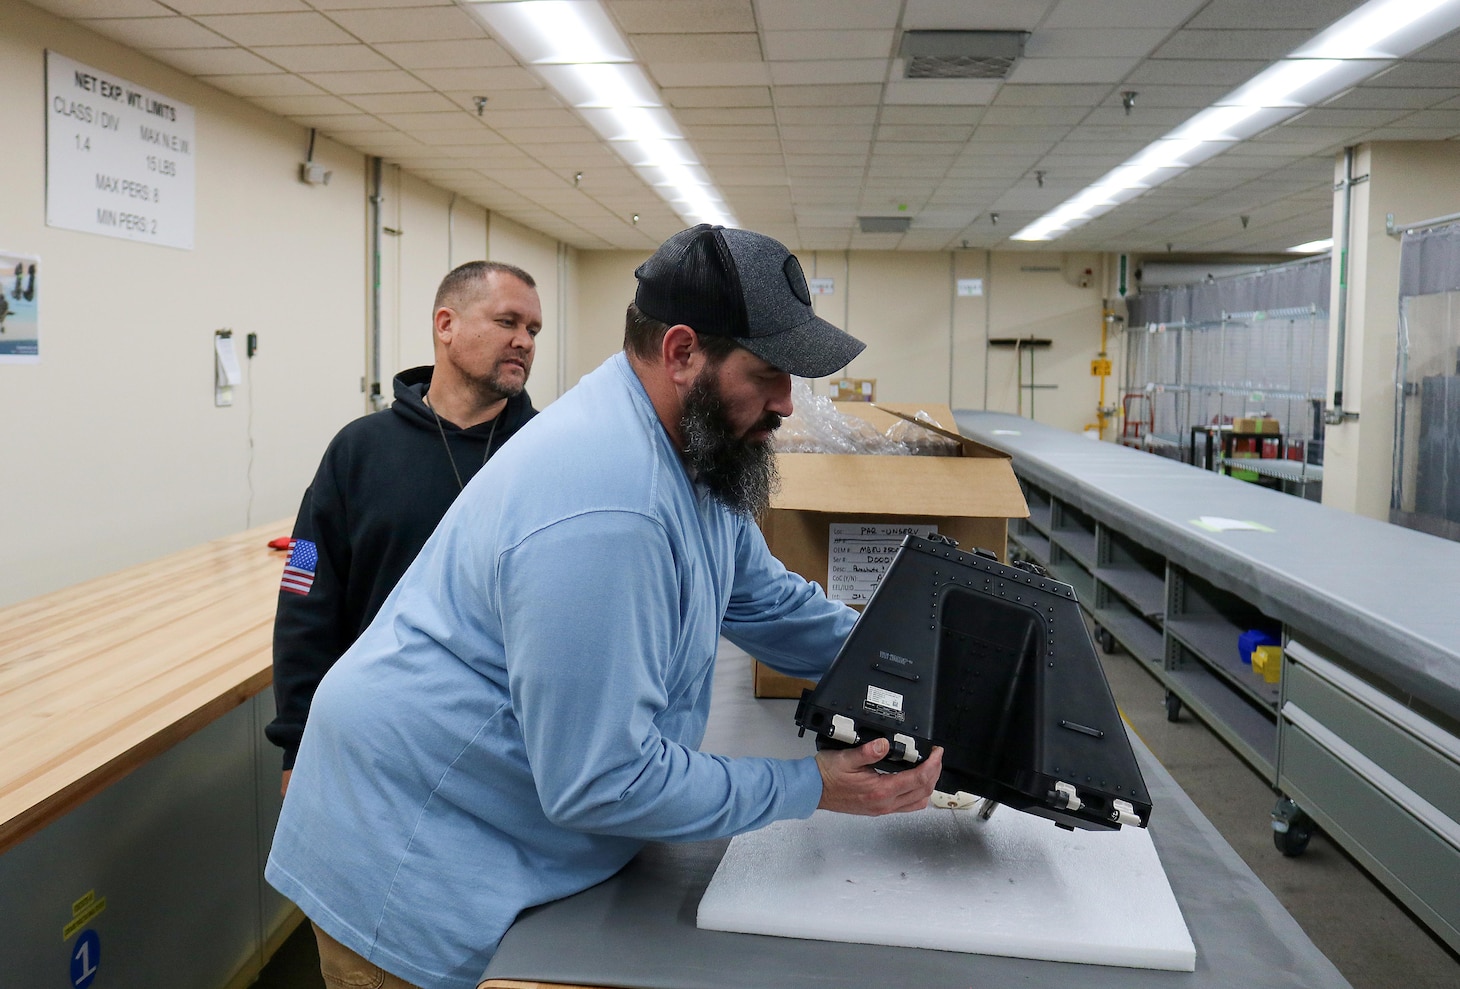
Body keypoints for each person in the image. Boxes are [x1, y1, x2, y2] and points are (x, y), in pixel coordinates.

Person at [265, 224, 944, 989]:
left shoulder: (693, 446)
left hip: (497, 819)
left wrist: (919, 666)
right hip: (410, 851)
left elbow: (764, 598)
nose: (789, 402)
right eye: (769, 372)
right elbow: (602, 778)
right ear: (682, 353)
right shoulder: (607, 504)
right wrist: (812, 784)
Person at [265, 260, 541, 795]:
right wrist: (299, 741)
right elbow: (303, 586)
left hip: (511, 752)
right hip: (377, 740)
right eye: (508, 322)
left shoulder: (548, 451)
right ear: (446, 325)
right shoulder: (357, 450)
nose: (524, 341)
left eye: (532, 330)